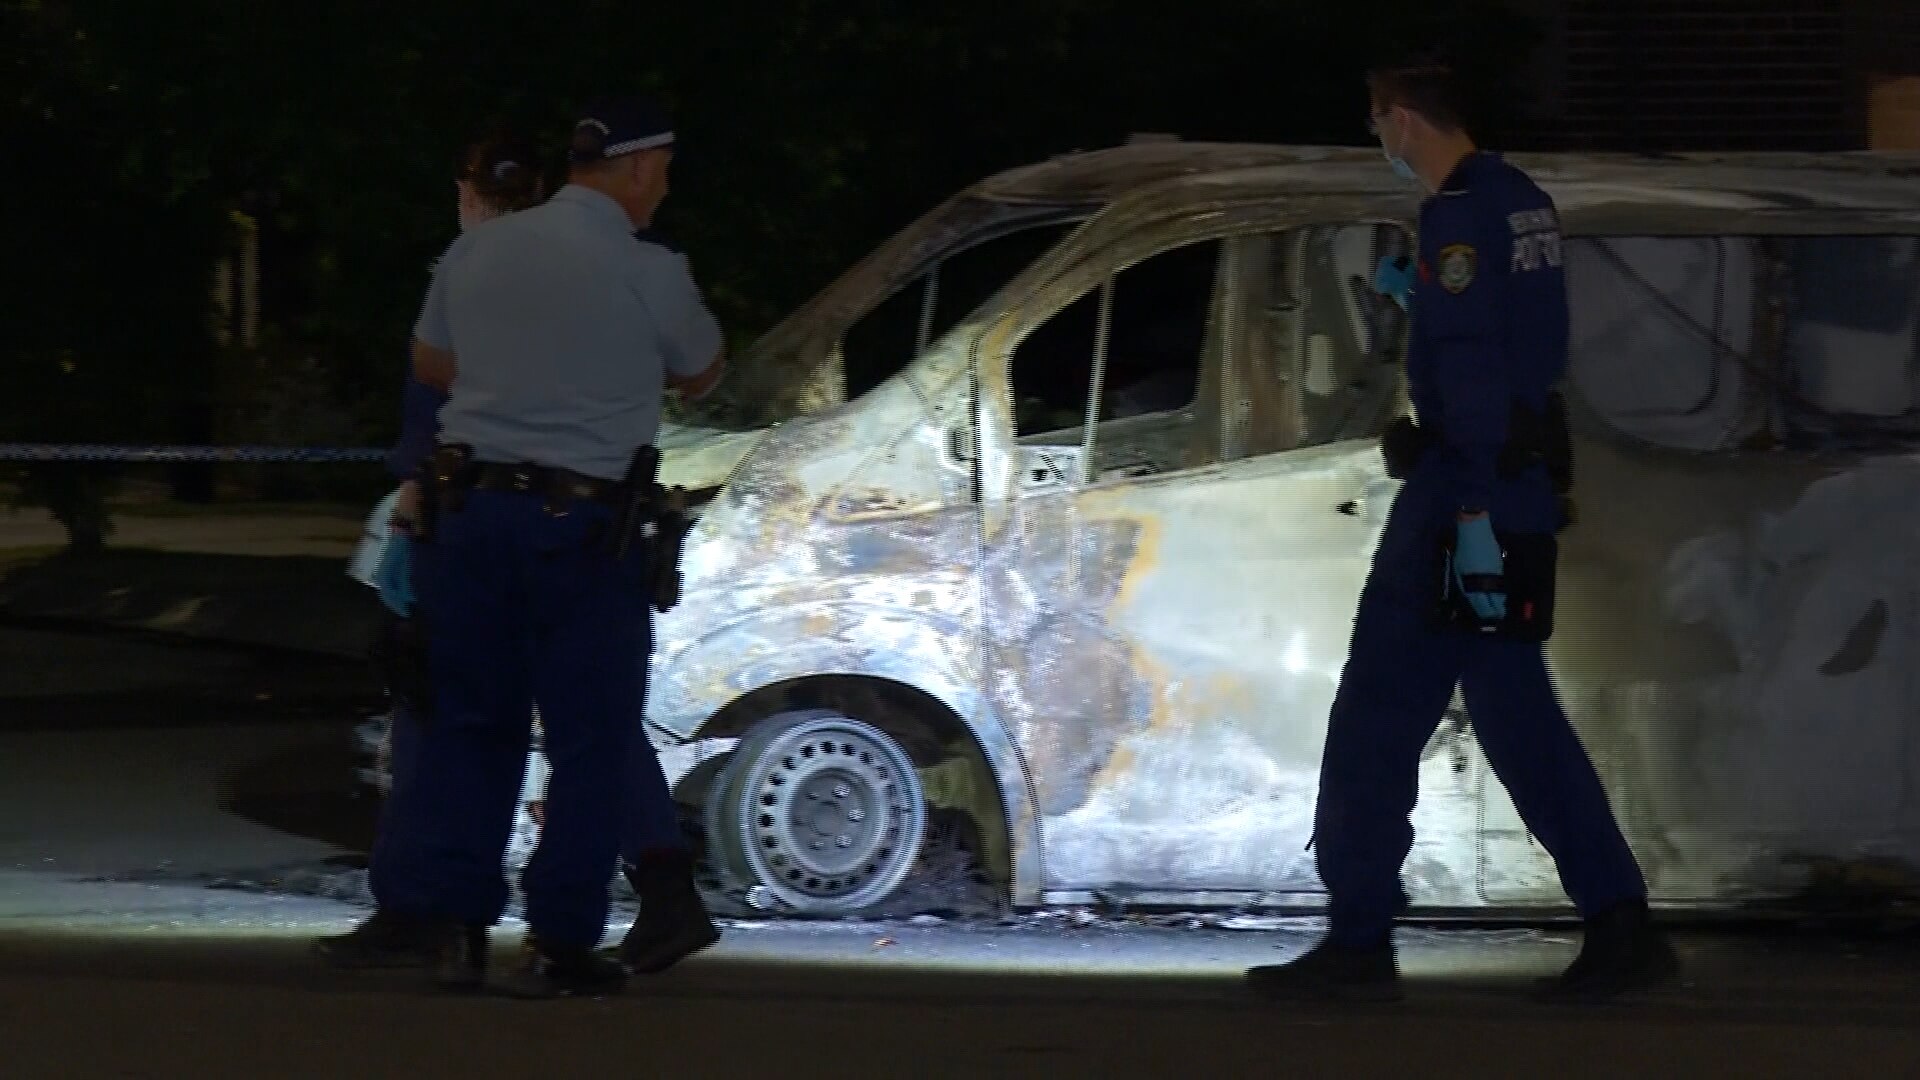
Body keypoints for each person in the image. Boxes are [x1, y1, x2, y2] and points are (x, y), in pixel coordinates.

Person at [1245, 55, 1678, 1003]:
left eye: (1379, 126)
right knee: (1515, 713)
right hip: (1505, 493)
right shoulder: (1523, 201)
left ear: (1403, 118)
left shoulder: (1458, 216)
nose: (1382, 144)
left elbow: (1477, 366)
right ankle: (1619, 921)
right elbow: (1509, 336)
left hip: (1461, 502)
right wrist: (1419, 305)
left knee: (1376, 712)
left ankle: (1359, 939)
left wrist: (1458, 483)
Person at [381, 96, 726, 998]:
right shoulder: (647, 266)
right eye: (666, 172)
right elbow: (702, 368)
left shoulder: (477, 250)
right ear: (644, 169)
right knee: (588, 736)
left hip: (471, 518)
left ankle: (459, 932)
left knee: (471, 728)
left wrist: (511, 384)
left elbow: (429, 362)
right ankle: (557, 944)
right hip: (583, 528)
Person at [318, 128, 547, 969]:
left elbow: (432, 425)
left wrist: (411, 520)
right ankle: (472, 915)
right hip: (539, 531)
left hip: (457, 526)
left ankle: (416, 910)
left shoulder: (460, 282)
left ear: (466, 195)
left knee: (426, 717)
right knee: (491, 728)